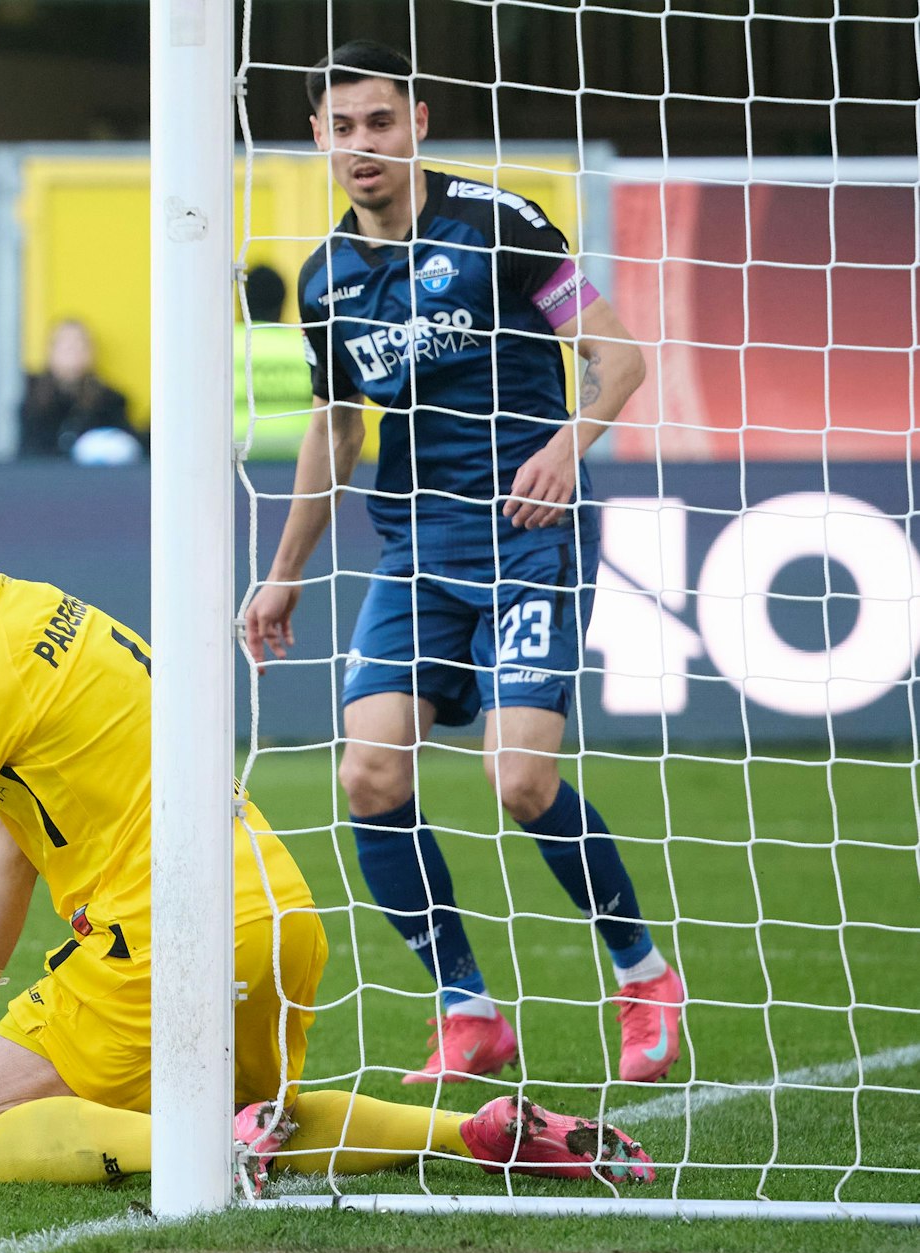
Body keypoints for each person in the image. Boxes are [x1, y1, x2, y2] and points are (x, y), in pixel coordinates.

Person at [0, 452, 654, 1192]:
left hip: (157, 944)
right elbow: (10, 847)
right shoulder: (51, 613)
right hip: (274, 915)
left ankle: (204, 1152)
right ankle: (483, 1137)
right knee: (257, 1110)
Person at [243, 41, 681, 1086]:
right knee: (367, 769)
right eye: (341, 128)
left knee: (520, 778)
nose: (362, 145)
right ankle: (468, 1008)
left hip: (526, 537)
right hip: (416, 549)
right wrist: (284, 569)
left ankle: (644, 972)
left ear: (420, 123)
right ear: (318, 139)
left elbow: (617, 358)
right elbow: (335, 430)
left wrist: (567, 444)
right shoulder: (325, 280)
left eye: (379, 122)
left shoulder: (502, 225)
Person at [17, 319, 141, 463]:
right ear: (50, 351)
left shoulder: (109, 401)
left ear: (91, 352)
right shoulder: (30, 396)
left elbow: (127, 446)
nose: (72, 351)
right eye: (65, 345)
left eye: (79, 345)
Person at [233, 264, 318, 456]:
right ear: (283, 301)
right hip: (302, 463)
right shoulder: (306, 344)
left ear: (241, 301)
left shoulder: (224, 346)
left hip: (235, 459)